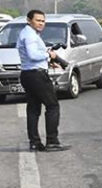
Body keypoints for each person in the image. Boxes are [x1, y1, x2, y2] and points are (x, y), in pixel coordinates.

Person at [17, 9, 64, 151]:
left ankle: (34, 142)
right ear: (29, 20)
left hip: (28, 73)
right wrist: (49, 55)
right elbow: (33, 55)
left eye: (43, 21)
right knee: (52, 106)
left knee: (33, 109)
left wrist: (48, 62)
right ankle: (52, 141)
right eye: (38, 20)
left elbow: (30, 56)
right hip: (36, 76)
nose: (41, 23)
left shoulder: (26, 33)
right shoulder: (30, 35)